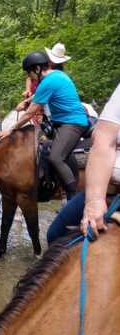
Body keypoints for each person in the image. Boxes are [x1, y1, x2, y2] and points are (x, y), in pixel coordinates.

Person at [0, 50, 88, 200]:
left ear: (37, 69)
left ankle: (72, 195)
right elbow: (38, 94)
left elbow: (30, 113)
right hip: (61, 122)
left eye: (29, 73)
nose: (30, 77)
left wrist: (11, 129)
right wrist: (27, 101)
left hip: (72, 123)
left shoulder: (49, 81)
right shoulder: (56, 75)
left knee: (56, 157)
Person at [47, 83, 120, 244]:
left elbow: (35, 105)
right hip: (113, 190)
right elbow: (104, 138)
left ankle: (70, 191)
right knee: (56, 235)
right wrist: (95, 200)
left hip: (73, 124)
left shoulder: (52, 80)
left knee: (56, 157)